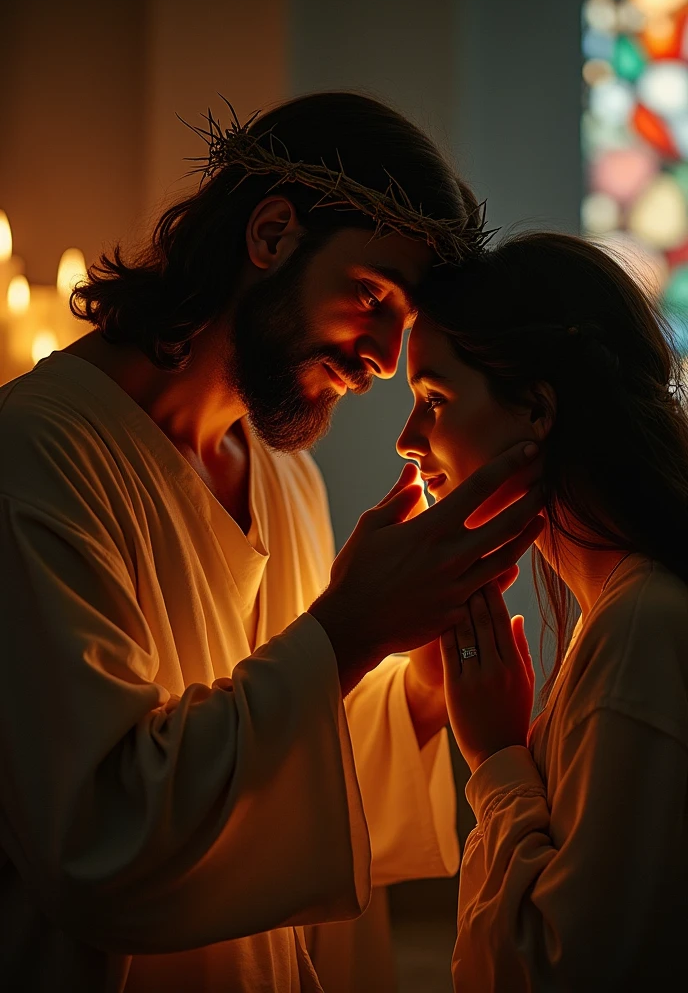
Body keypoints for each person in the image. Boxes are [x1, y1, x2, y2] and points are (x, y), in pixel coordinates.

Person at [0, 92, 542, 993]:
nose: (380, 357)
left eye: (402, 328)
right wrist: (351, 628)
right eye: (372, 297)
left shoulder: (285, 477)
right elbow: (98, 830)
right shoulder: (41, 452)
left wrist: (413, 688)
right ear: (272, 234)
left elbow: (293, 789)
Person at [397, 231, 688, 992]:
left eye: (433, 400)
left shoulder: (642, 626)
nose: (407, 442)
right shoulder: (615, 617)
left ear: (536, 410)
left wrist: (496, 757)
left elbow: (563, 968)